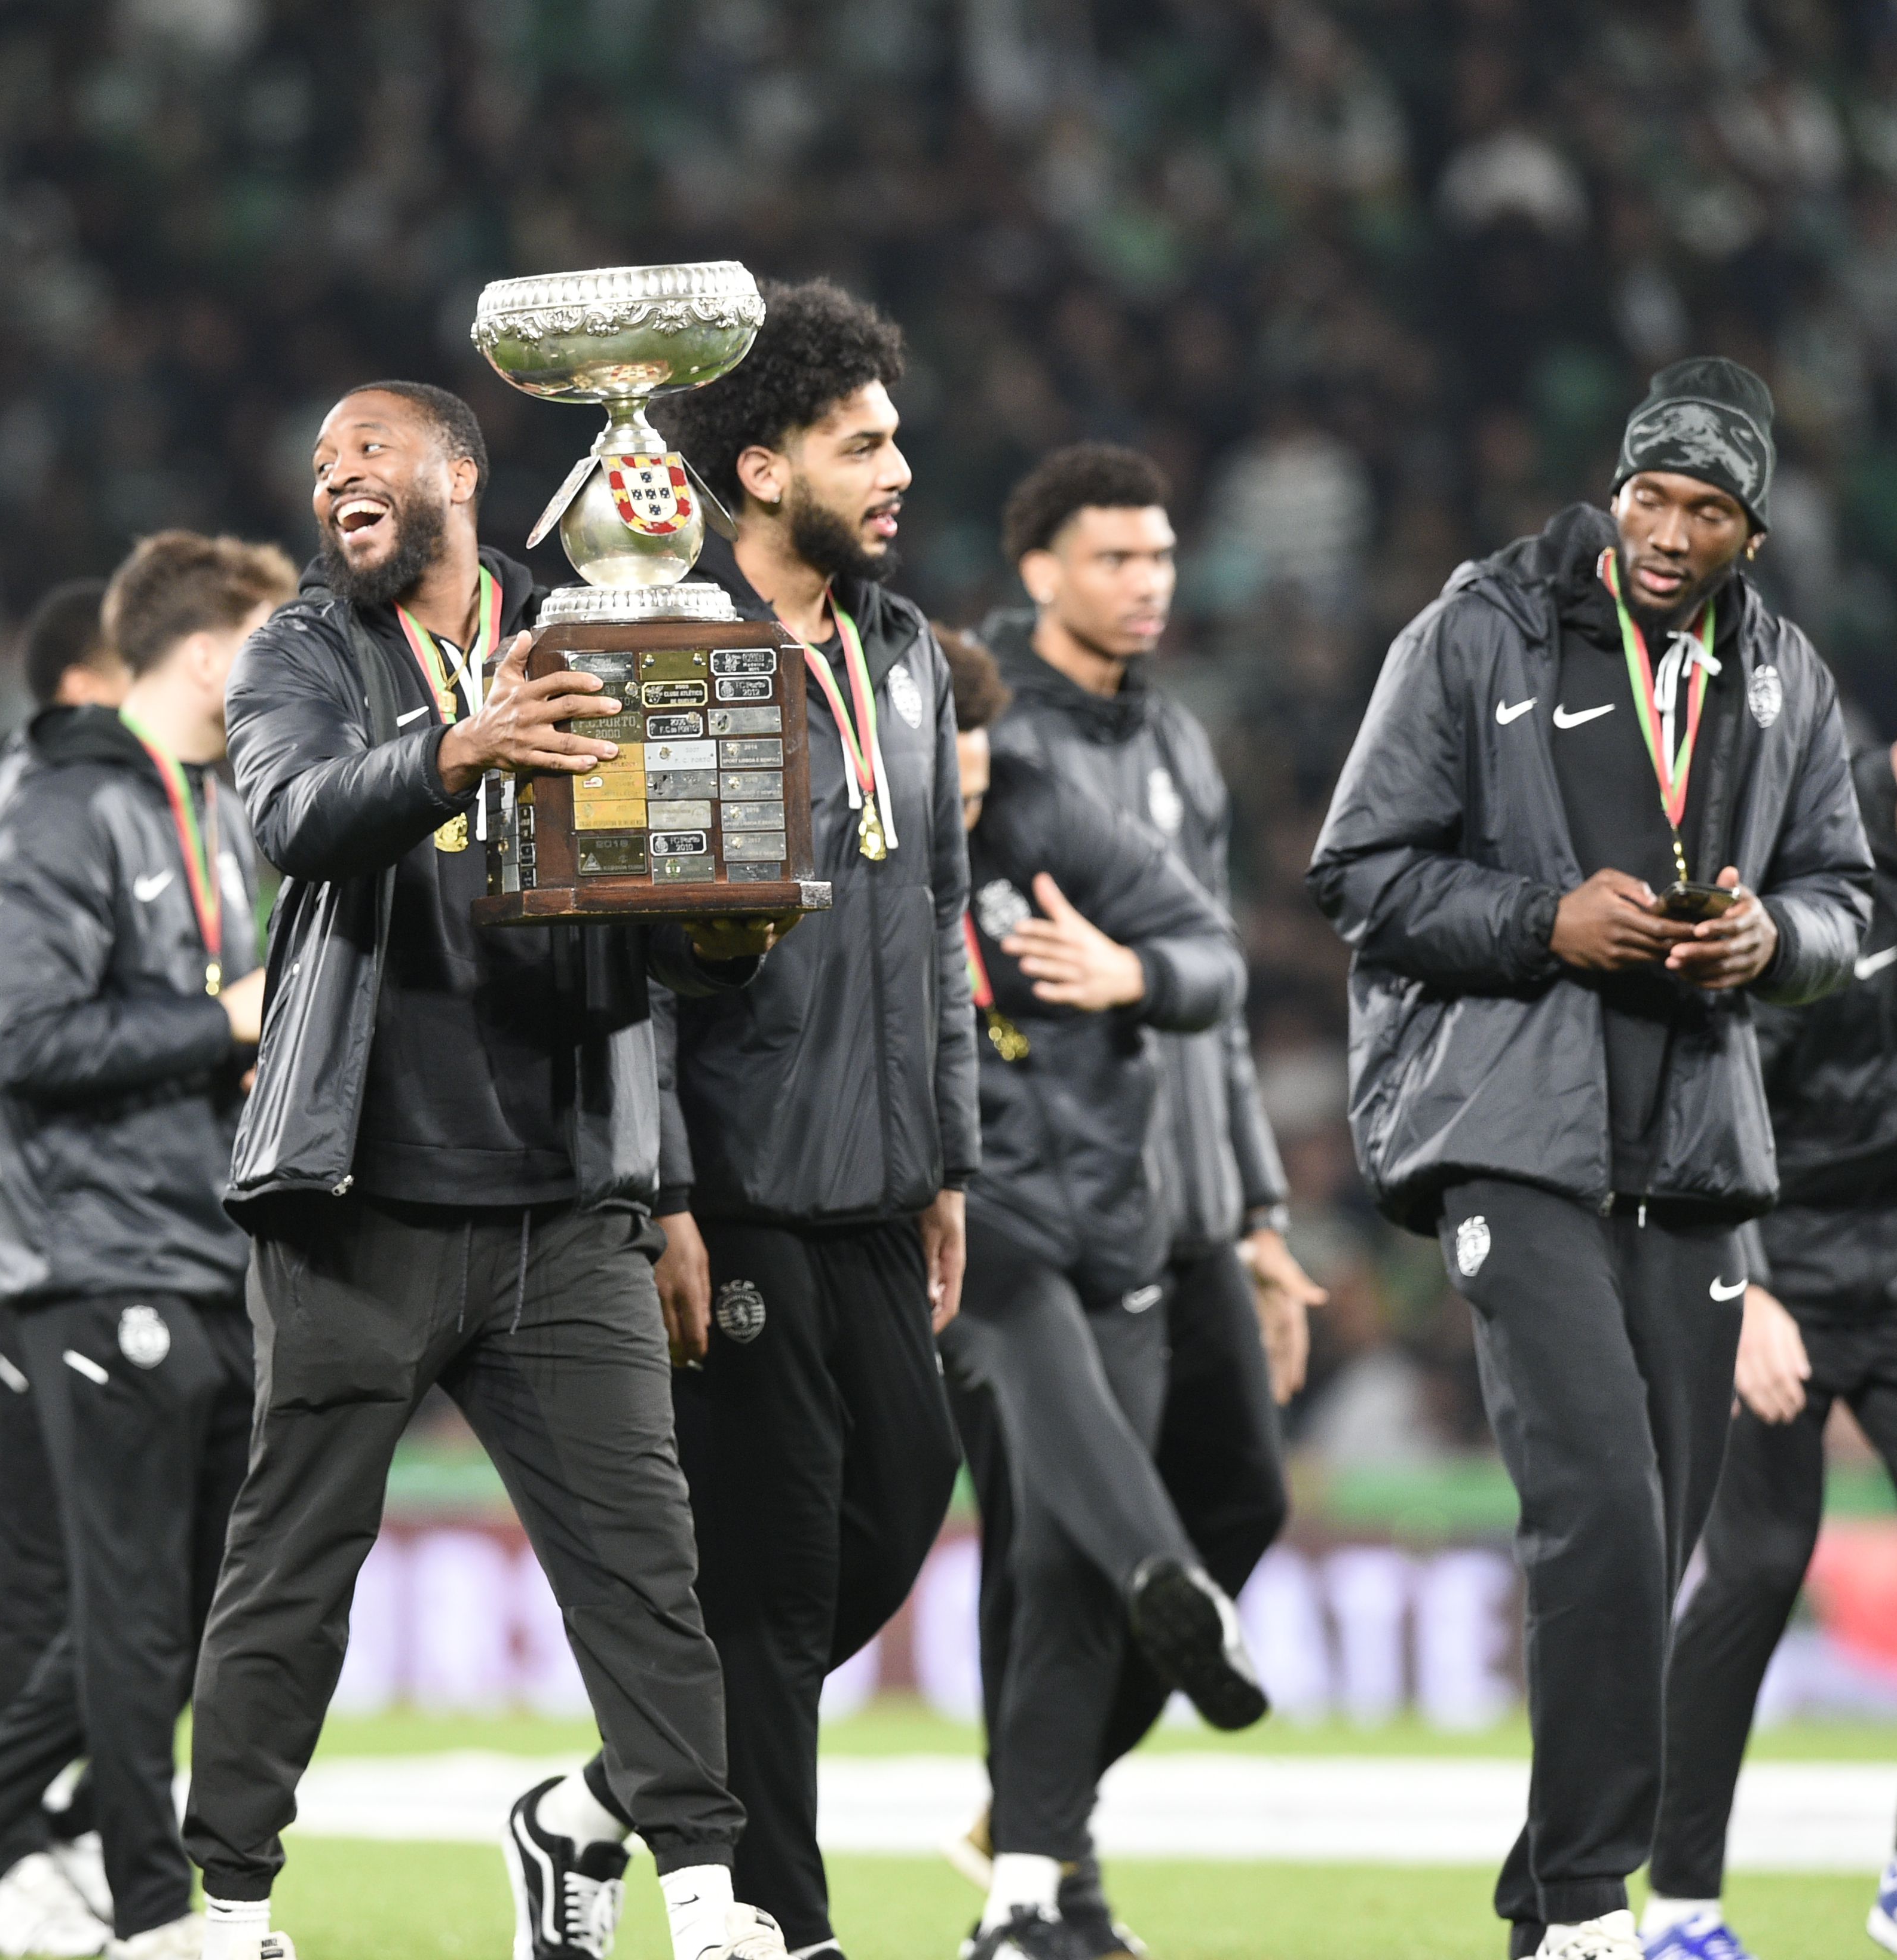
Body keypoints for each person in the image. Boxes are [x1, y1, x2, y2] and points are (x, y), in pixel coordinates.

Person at [176, 379, 789, 1960]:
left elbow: (665, 924)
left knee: (649, 1567)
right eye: (321, 465)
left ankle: (709, 1904)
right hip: (355, 1200)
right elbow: (299, 817)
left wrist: (721, 935)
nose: (337, 481)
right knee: (290, 1571)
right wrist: (462, 747)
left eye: (367, 451)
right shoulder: (300, 652)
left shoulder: (594, 630)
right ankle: (233, 1909)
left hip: (564, 1200)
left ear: (459, 467)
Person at [1308, 357, 1871, 1960]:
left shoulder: (1786, 680)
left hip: (1690, 1145)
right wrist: (1540, 921)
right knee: (1602, 1511)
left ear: (1752, 534)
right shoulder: (1477, 630)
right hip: (1510, 1132)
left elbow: (1845, 895)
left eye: (1707, 511)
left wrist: (1773, 940)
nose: (1671, 533)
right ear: (1612, 492)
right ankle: (1580, 1910)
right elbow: (1360, 871)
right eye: (1650, 498)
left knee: (1665, 1536)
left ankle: (1545, 1893)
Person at [496, 277, 966, 1960]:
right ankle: (784, 1928)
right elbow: (627, 949)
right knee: (766, 1590)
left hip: (877, 1172)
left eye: (896, 436)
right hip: (739, 1173)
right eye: (864, 444)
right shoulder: (670, 654)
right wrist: (668, 1191)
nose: (899, 466)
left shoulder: (904, 654)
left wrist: (949, 1156)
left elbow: (939, 925)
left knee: (902, 1512)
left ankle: (592, 1807)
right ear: (761, 471)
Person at [0, 533, 290, 1960]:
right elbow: (30, 1039)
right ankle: (156, 1913)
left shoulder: (223, 812)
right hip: (89, 1245)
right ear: (217, 654)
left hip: (206, 1236)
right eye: (277, 644)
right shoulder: (52, 807)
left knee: (190, 1597)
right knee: (125, 1598)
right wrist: (228, 1024)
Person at [971, 446, 1320, 1938]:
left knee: (1239, 1492)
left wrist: (1258, 1215)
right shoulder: (980, 731)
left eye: (1164, 556)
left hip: (1180, 1197)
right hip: (1024, 1195)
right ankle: (1050, 1874)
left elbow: (1217, 1004)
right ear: (1039, 569)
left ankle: (1030, 1810)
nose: (1151, 581)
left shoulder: (1177, 741)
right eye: (1117, 557)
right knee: (1046, 1540)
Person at [1645, 654, 1897, 1960]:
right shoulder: (1813, 871)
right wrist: (1742, 1284)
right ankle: (1682, 1909)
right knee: (1751, 1565)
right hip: (1774, 1261)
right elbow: (1705, 1080)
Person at [930, 628, 1267, 1960]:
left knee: (1054, 1565)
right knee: (1039, 1407)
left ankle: (1025, 1899)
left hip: (1115, 1232)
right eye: (938, 782)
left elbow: (1212, 951)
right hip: (962, 1229)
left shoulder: (1035, 809)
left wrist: (1135, 972)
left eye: (970, 782)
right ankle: (1167, 1570)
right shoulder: (857, 852)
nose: (962, 805)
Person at [0, 569, 126, 1948]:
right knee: (44, 1568)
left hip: (99, 1225)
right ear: (81, 688)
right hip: (37, 1228)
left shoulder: (36, 796)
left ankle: (69, 1840)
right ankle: (7, 1850)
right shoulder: (24, 799)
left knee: (98, 1560)